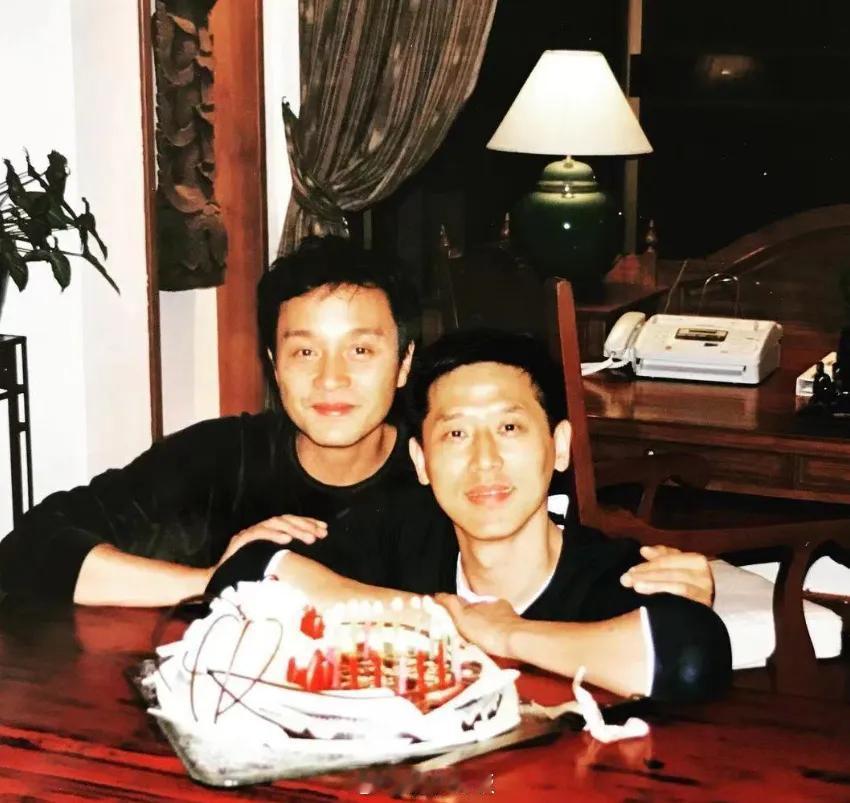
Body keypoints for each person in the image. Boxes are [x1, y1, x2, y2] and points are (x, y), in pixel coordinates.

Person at [209, 330, 731, 701]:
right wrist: (434, 619)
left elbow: (689, 658)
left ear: (560, 446)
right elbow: (244, 573)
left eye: (509, 428)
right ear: (421, 462)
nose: (485, 460)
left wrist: (505, 634)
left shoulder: (612, 573)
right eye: (456, 434)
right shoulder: (403, 533)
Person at [0, 236, 419, 605]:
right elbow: (31, 548)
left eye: (360, 351)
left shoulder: (436, 471)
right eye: (305, 352)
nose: (330, 378)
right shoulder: (224, 458)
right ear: (275, 365)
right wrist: (224, 580)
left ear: (404, 362)